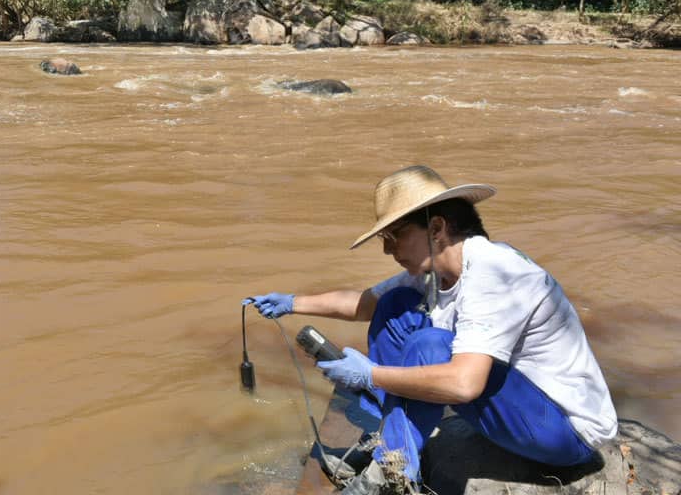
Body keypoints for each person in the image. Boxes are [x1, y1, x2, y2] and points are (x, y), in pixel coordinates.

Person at [245, 165, 617, 495]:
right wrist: (291, 302)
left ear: (436, 228)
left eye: (394, 236)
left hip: (567, 433)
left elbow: (464, 384)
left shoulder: (493, 273)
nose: (388, 250)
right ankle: (391, 441)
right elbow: (364, 304)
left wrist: (370, 373)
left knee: (429, 343)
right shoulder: (437, 271)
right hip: (523, 411)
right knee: (395, 308)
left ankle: (392, 476)